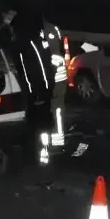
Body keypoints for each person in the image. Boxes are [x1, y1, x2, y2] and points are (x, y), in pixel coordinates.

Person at [5, 0, 55, 175]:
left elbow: (32, 69)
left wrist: (35, 92)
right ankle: (42, 154)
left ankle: (40, 157)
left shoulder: (25, 42)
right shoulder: (34, 40)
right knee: (41, 123)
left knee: (38, 124)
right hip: (40, 89)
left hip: (37, 91)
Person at [40, 19, 67, 150]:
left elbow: (54, 54)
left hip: (52, 79)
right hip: (58, 79)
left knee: (52, 110)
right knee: (56, 110)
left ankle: (52, 142)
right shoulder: (53, 28)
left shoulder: (40, 31)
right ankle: (56, 141)